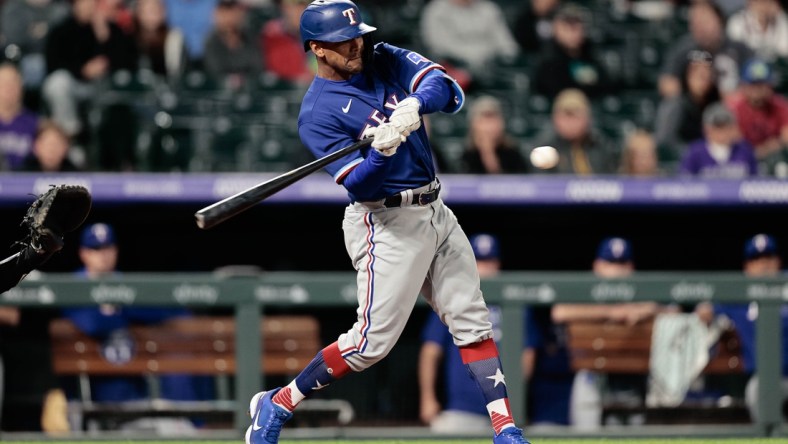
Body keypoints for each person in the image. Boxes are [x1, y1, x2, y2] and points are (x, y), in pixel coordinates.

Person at [245, 2, 531, 444]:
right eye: (343, 42)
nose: (356, 45)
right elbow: (359, 186)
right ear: (318, 49)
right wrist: (380, 152)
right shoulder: (317, 115)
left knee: (473, 321)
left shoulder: (382, 56)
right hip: (385, 221)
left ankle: (505, 429)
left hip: (436, 209)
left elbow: (447, 88)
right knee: (369, 344)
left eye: (357, 35)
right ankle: (278, 403)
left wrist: (415, 103)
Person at [62, 223, 212, 432]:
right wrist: (122, 312)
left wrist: (116, 308)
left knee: (180, 357)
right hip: (92, 393)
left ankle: (199, 425)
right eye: (96, 249)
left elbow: (161, 312)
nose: (102, 255)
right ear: (83, 253)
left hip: (134, 391)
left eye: (107, 248)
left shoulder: (123, 283)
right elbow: (93, 324)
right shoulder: (73, 285)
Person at [419, 233, 504, 434]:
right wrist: (427, 398)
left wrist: (515, 400)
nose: (484, 268)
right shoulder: (453, 298)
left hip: (502, 410)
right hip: (460, 409)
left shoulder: (512, 300)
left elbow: (526, 355)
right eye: (479, 261)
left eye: (489, 261)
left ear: (498, 264)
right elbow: (430, 351)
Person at [701, 234, 788, 423]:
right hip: (766, 381)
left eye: (768, 258)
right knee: (757, 390)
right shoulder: (738, 297)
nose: (764, 265)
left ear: (778, 262)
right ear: (747, 267)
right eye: (756, 259)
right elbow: (705, 309)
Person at [42, 0, 138, 138]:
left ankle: (112, 144)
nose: (89, 7)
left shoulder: (111, 30)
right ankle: (69, 135)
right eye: (84, 2)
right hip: (75, 84)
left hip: (104, 86)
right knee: (57, 83)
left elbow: (127, 63)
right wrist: (82, 70)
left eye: (93, 3)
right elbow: (53, 64)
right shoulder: (62, 30)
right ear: (75, 5)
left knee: (121, 81)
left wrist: (104, 37)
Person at [658, 1, 753, 99]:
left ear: (719, 20)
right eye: (695, 23)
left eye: (705, 21)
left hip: (732, 104)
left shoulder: (738, 49)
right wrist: (691, 89)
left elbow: (756, 78)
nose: (700, 27)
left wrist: (739, 94)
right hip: (695, 106)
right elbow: (666, 83)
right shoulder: (684, 49)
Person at [531, 3, 613, 100]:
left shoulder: (591, 57)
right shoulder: (547, 62)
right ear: (556, 27)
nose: (573, 30)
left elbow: (606, 88)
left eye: (577, 24)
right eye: (567, 24)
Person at [532, 88, 619, 174]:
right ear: (555, 119)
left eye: (575, 116)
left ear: (588, 118)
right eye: (565, 116)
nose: (570, 123)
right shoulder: (544, 147)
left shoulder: (602, 146)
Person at [419, 0, 519, 76]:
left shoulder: (488, 8)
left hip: (492, 69)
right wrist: (477, 55)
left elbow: (507, 46)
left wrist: (502, 57)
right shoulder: (436, 10)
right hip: (453, 70)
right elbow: (439, 45)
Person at [654, 50, 722, 158]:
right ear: (686, 75)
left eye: (706, 70)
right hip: (681, 165)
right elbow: (664, 142)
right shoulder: (675, 105)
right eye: (695, 70)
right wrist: (696, 153)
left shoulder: (717, 105)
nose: (702, 75)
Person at [726, 59, 788, 161]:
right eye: (753, 84)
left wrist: (769, 148)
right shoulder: (733, 107)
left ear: (770, 86)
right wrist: (766, 147)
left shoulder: (780, 105)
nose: (758, 89)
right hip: (741, 160)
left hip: (774, 159)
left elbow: (786, 137)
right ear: (743, 85)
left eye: (762, 84)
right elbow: (732, 139)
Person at [679, 101, 758, 178]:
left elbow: (755, 181)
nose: (722, 132)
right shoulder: (695, 152)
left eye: (726, 126)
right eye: (717, 126)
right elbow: (685, 182)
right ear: (706, 129)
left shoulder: (744, 150)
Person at [0, 0, 69, 88]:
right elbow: (12, 39)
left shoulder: (60, 8)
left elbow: (65, 35)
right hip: (23, 57)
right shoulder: (13, 8)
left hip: (56, 59)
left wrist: (45, 29)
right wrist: (36, 35)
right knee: (34, 65)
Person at [460, 96, 528, 174]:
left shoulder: (513, 153)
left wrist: (489, 154)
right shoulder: (468, 155)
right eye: (484, 121)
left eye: (492, 119)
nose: (489, 127)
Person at [203, 0, 262, 88]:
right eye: (224, 13)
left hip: (250, 89)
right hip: (220, 90)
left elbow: (257, 68)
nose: (228, 19)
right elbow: (215, 72)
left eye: (232, 12)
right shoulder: (211, 42)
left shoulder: (251, 38)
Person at [259, 0, 315, 85]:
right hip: (284, 89)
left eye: (303, 7)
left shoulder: (318, 34)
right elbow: (278, 68)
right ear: (283, 9)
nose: (298, 12)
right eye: (293, 7)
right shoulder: (272, 34)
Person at [132, 0, 186, 80]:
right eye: (149, 11)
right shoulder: (129, 38)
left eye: (157, 10)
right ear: (139, 13)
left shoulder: (174, 39)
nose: (153, 16)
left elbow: (176, 72)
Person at [0, 63, 39, 171]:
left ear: (21, 88)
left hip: (25, 183)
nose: (9, 89)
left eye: (13, 83)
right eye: (4, 84)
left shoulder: (35, 124)